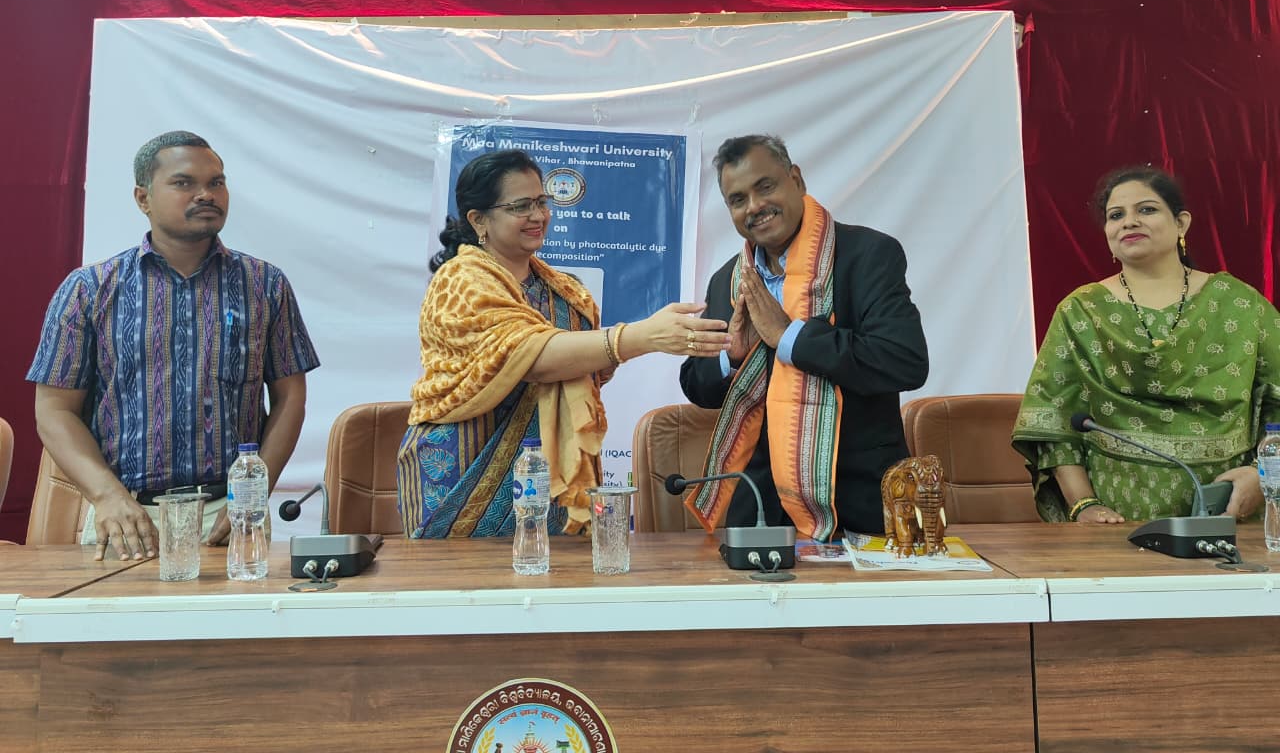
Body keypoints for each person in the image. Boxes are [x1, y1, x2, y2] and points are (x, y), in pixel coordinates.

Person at [397, 149, 729, 538]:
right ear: (478, 220)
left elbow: (586, 373)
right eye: (521, 206)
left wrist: (623, 346)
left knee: (552, 574)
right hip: (461, 475)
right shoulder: (459, 282)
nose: (538, 215)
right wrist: (640, 336)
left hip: (547, 479)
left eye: (541, 202)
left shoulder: (566, 292)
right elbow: (529, 356)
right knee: (461, 579)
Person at [28, 131, 319, 560]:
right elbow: (54, 411)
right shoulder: (89, 290)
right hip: (128, 516)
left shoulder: (264, 285)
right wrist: (107, 496)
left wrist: (254, 492)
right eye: (184, 183)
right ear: (143, 198)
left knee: (241, 608)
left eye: (216, 182)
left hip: (230, 515)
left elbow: (290, 397)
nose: (206, 194)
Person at [679, 135, 929, 541]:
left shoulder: (867, 255)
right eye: (738, 199)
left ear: (796, 179)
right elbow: (696, 384)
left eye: (765, 186)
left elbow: (905, 361)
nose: (754, 206)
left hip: (858, 507)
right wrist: (733, 358)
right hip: (759, 512)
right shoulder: (729, 279)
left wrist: (790, 336)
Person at [1012, 166, 1280, 524]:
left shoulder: (1240, 304)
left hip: (1229, 514)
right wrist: (1084, 506)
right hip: (1115, 521)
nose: (1129, 222)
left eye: (1147, 209)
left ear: (1181, 223)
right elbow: (1053, 421)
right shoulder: (1082, 311)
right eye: (1116, 215)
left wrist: (1262, 477)